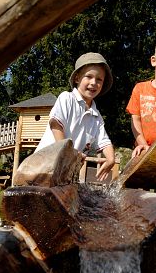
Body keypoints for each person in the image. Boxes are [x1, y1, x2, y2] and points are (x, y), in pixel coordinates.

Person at [35, 52, 115, 182]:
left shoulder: (96, 116)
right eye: (88, 76)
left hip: (65, 173)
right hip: (43, 166)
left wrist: (111, 158)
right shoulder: (67, 98)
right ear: (77, 78)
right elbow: (55, 124)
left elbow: (104, 141)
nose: (94, 82)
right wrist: (69, 151)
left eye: (99, 79)